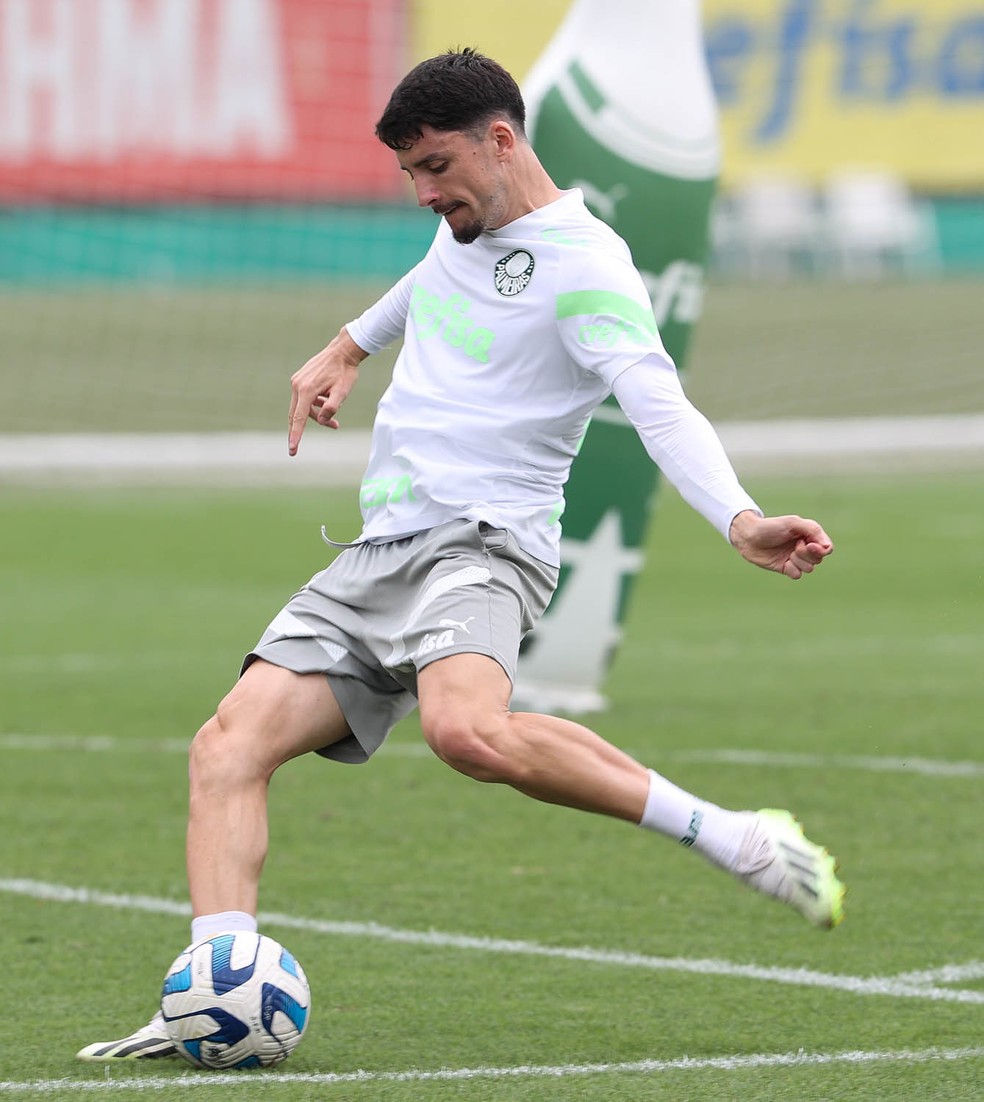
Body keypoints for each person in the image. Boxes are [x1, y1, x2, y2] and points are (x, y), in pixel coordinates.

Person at [77, 48, 844, 1064]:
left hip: (483, 545)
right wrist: (348, 345)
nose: (425, 194)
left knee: (466, 733)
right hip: (378, 550)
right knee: (226, 748)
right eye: (410, 174)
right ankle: (216, 989)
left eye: (436, 167)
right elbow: (432, 278)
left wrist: (739, 519)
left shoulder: (586, 264)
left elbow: (659, 402)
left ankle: (736, 837)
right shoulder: (464, 228)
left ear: (502, 140)